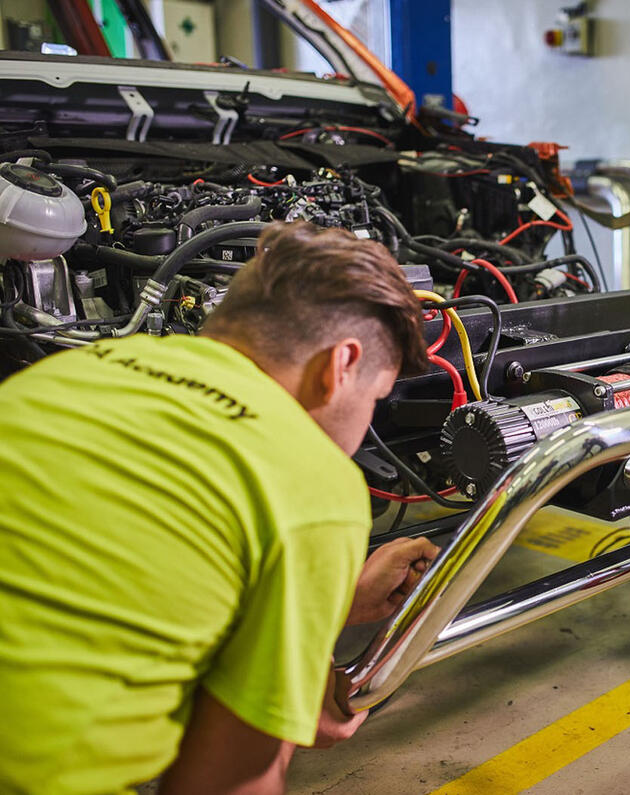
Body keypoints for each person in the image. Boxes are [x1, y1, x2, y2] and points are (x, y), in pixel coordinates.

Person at [0, 221, 440, 793]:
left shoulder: (72, 372)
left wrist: (328, 604)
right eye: (374, 398)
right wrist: (287, 707)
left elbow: (99, 575)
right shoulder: (313, 478)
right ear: (340, 365)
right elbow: (224, 781)